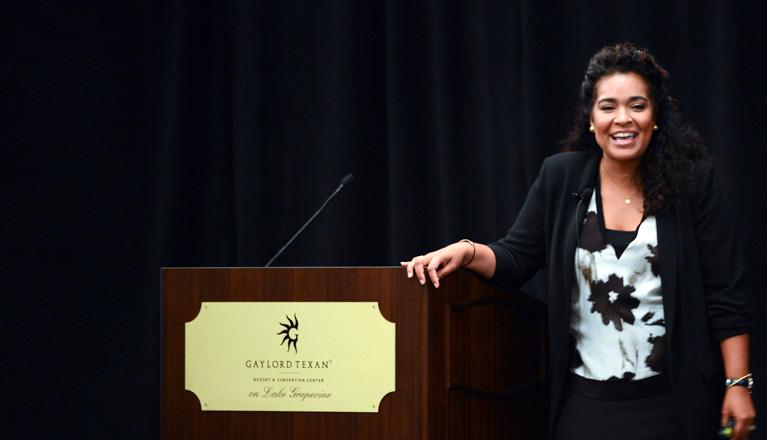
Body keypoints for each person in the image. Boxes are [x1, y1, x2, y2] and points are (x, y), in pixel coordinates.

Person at [401, 43, 755, 439]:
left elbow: (725, 295)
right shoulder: (561, 177)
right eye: (608, 107)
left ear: (655, 116)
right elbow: (516, 258)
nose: (623, 119)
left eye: (637, 106)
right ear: (591, 118)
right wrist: (466, 251)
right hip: (584, 405)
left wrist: (738, 383)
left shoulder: (694, 184)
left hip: (675, 405)